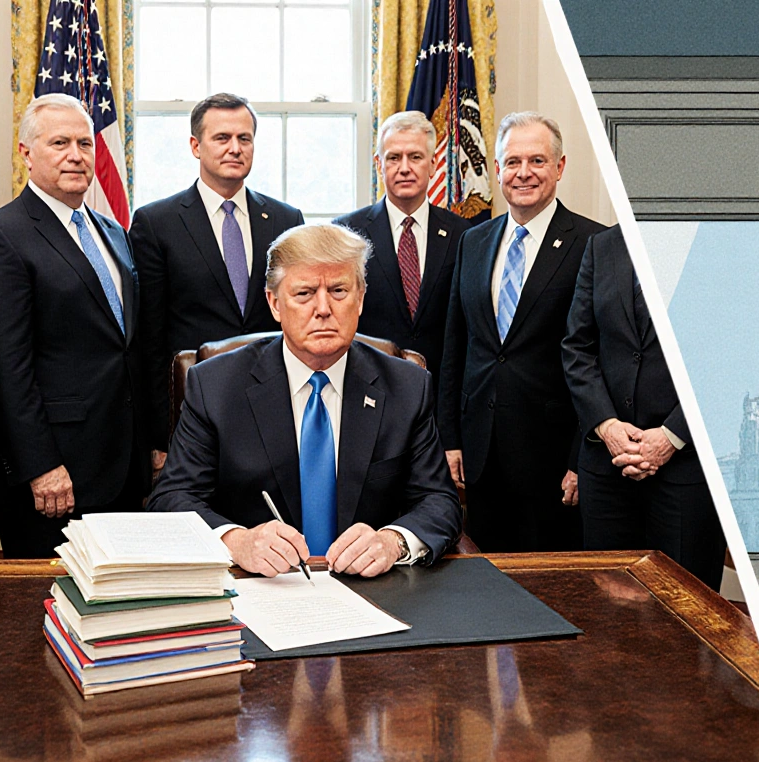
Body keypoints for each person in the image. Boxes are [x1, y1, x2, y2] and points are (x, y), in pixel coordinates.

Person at [148, 223, 462, 577]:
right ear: (275, 303)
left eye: (339, 290)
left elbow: (439, 502)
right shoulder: (214, 385)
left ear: (360, 299)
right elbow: (171, 499)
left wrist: (393, 542)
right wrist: (236, 541)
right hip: (258, 587)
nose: (323, 308)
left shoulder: (407, 386)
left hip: (375, 591)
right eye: (304, 293)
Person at [0, 94, 151, 558]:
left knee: (123, 610)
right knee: (49, 614)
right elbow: (5, 368)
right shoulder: (2, 235)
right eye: (59, 143)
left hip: (123, 463)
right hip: (57, 474)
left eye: (84, 143)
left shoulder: (112, 231)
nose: (76, 155)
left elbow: (127, 346)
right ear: (26, 153)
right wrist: (40, 466)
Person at [438, 112, 608, 553]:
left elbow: (600, 361)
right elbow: (456, 345)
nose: (524, 173)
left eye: (537, 160)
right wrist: (451, 439)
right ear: (496, 170)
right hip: (481, 452)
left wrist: (580, 458)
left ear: (560, 167)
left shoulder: (593, 243)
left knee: (552, 591)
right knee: (487, 586)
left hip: (552, 461)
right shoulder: (473, 241)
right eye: (512, 162)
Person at [131, 93, 304, 464]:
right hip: (192, 410)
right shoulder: (156, 223)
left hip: (274, 405)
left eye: (244, 138)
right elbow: (150, 338)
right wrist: (161, 434)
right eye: (221, 138)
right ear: (196, 146)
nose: (235, 148)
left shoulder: (286, 220)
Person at [562, 227, 726, 590]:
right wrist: (606, 426)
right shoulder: (602, 246)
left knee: (687, 616)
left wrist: (671, 437)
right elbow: (577, 347)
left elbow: (731, 355)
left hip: (686, 475)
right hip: (607, 471)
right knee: (608, 620)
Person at [334, 111, 470, 382]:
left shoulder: (464, 235)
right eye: (394, 157)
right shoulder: (346, 233)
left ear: (433, 164)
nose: (405, 167)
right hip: (368, 383)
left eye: (416, 157)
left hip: (442, 388)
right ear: (379, 165)